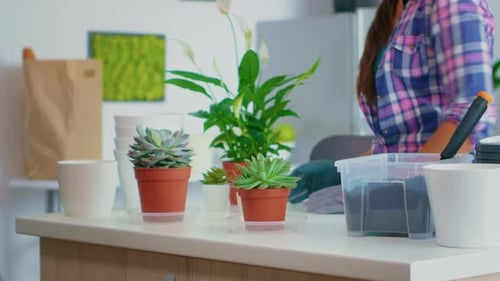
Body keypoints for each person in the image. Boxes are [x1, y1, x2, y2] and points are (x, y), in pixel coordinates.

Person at [356, 0, 496, 154]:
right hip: (395, 172)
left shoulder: (450, 3)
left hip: (434, 175)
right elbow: (394, 145)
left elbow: (470, 114)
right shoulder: (396, 8)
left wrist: (412, 176)